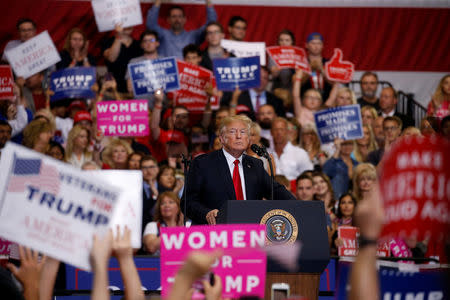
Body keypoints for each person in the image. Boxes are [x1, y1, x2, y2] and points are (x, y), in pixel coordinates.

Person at [185, 115, 295, 225]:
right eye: (232, 132)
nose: (239, 136)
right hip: (215, 233)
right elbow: (187, 202)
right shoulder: (203, 163)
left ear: (248, 139)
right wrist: (206, 213)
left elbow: (276, 191)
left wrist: (301, 206)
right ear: (222, 138)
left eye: (243, 132)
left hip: (248, 231)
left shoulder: (255, 165)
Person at [146, 0, 217, 58]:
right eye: (174, 16)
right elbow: (151, 24)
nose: (177, 20)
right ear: (168, 20)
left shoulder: (193, 36)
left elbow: (211, 24)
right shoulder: (162, 35)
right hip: (167, 73)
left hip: (188, 73)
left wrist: (208, 1)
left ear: (185, 19)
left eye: (180, 16)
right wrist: (158, 1)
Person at [102, 24, 142, 94]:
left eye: (130, 23)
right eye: (125, 24)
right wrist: (118, 37)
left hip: (134, 88)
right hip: (114, 88)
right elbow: (111, 58)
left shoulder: (139, 44)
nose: (128, 26)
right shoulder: (108, 41)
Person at [270, 117, 313, 181]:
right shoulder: (265, 154)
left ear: (287, 131)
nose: (279, 133)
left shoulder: (300, 153)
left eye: (282, 129)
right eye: (275, 129)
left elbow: (308, 176)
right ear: (271, 132)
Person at [126, 30, 160, 96]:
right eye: (145, 41)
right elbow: (130, 88)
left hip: (163, 103)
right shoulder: (134, 62)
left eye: (152, 40)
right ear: (141, 45)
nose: (148, 44)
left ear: (157, 43)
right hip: (141, 103)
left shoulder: (166, 60)